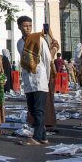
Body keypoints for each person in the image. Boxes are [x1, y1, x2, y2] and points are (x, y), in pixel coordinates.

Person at [17, 16, 59, 145]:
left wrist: (45, 77)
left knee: (39, 109)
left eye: (30, 25)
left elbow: (46, 59)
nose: (28, 28)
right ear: (19, 27)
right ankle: (43, 136)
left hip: (40, 78)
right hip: (28, 79)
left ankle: (37, 137)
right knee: (33, 109)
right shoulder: (19, 42)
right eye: (25, 26)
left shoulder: (39, 39)